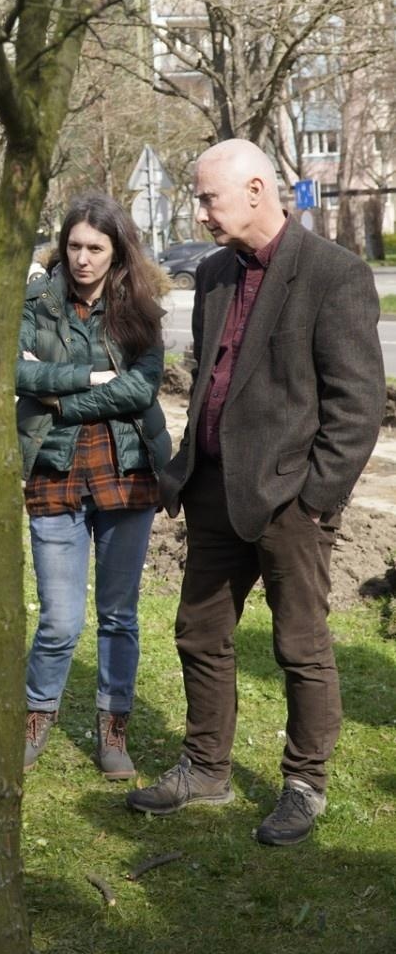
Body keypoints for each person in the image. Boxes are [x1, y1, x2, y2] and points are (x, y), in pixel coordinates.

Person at [127, 139, 385, 846]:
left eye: (208, 198)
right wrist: (185, 467)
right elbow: (209, 381)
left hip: (289, 503)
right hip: (212, 491)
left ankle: (305, 784)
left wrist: (314, 499)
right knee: (199, 634)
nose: (200, 211)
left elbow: (357, 407)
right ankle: (206, 767)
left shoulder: (335, 274)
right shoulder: (212, 275)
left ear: (256, 190)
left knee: (300, 646)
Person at [15, 193, 171, 779]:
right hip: (54, 472)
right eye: (74, 246)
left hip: (126, 473)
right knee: (58, 619)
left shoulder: (140, 310)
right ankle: (38, 717)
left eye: (95, 248)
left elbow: (141, 390)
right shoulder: (34, 302)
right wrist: (87, 376)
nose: (83, 259)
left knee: (118, 615)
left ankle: (113, 729)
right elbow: (12, 369)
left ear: (116, 251)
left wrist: (59, 399)